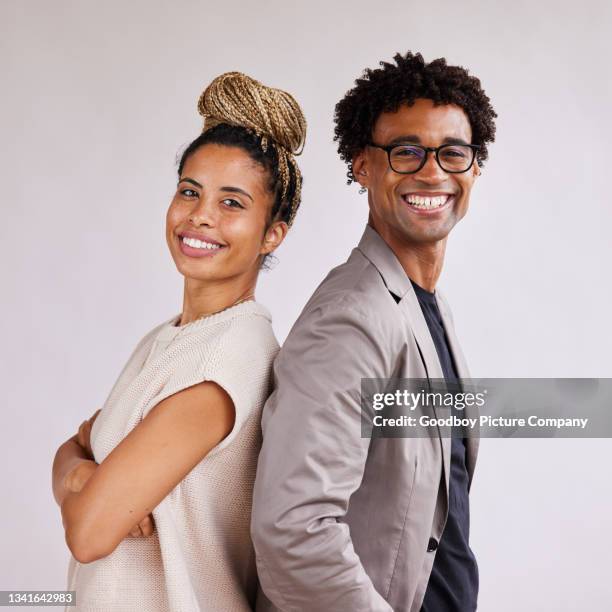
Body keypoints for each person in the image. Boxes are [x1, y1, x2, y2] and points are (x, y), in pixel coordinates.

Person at [251, 51, 497, 612]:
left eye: (452, 152)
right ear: (363, 165)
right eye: (405, 151)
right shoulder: (351, 318)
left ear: (474, 169)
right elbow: (293, 528)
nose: (432, 171)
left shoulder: (425, 306)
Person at [51, 71, 306, 612]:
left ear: (273, 232)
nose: (200, 216)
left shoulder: (223, 362)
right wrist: (78, 469)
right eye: (190, 191)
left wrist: (82, 482)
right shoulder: (168, 341)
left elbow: (90, 532)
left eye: (232, 203)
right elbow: (75, 445)